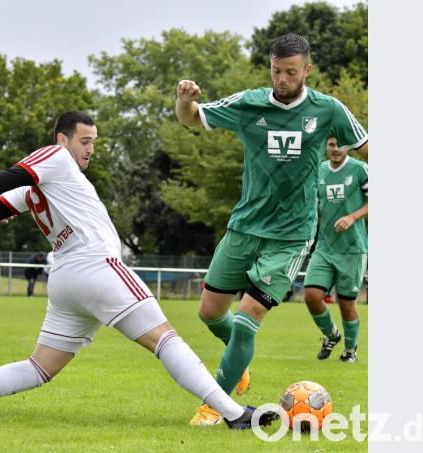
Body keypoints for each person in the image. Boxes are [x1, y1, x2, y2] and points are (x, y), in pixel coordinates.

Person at [0, 111, 277, 429]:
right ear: (62, 140)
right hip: (96, 266)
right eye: (85, 141)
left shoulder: (39, 189)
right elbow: (8, 176)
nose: (91, 149)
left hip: (65, 280)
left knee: (39, 367)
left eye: (94, 142)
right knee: (165, 338)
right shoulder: (57, 157)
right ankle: (233, 413)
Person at [174, 32, 368, 425]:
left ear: (307, 70)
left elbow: (367, 147)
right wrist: (183, 99)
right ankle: (237, 362)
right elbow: (192, 118)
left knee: (247, 318)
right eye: (277, 71)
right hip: (244, 226)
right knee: (210, 314)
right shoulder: (249, 103)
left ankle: (216, 406)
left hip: (292, 235)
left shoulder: (328, 110)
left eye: (291, 72)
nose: (282, 79)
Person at [304, 137, 368, 363]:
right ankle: (332, 334)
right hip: (324, 247)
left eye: (341, 145)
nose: (336, 149)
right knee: (311, 295)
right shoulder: (319, 170)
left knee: (346, 302)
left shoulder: (360, 169)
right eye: (331, 145)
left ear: (349, 147)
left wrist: (352, 217)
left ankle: (350, 352)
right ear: (326, 147)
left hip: (353, 248)